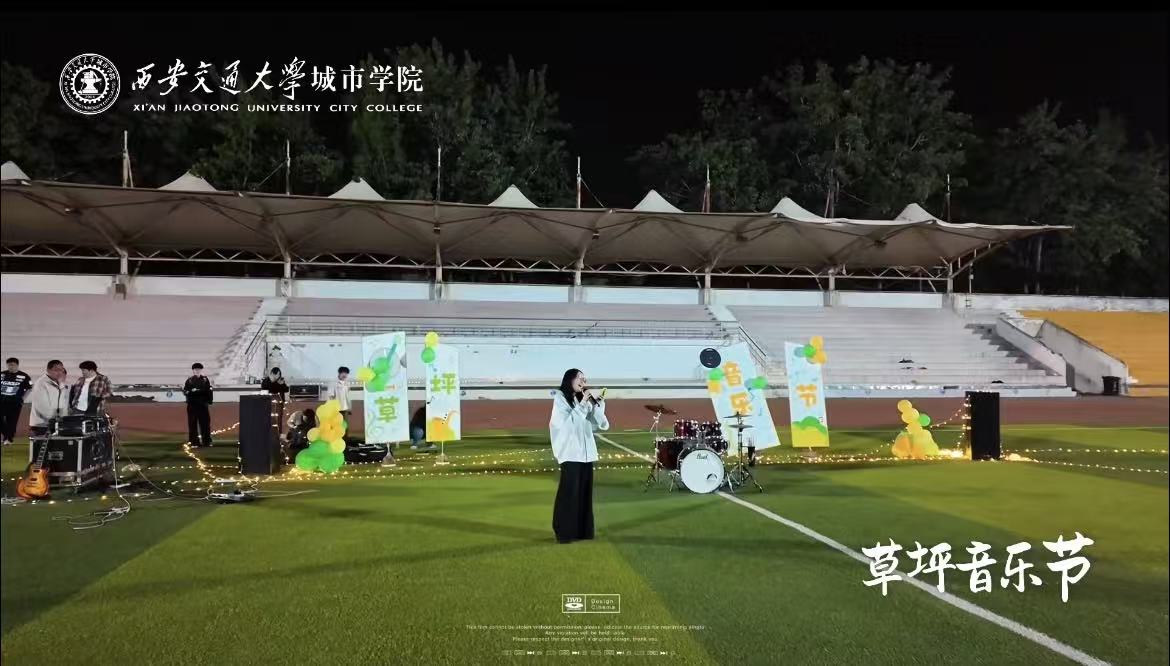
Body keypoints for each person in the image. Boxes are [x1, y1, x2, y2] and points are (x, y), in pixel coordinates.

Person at [549, 368, 609, 544]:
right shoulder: (560, 399)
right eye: (579, 378)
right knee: (569, 494)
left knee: (584, 494)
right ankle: (564, 532)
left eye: (585, 379)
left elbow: (599, 424)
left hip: (586, 455)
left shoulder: (581, 399)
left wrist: (598, 405)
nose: (583, 382)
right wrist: (583, 404)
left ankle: (583, 531)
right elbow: (566, 426)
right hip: (570, 454)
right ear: (570, 380)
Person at [28, 360, 70, 435]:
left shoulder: (60, 384)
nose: (59, 372)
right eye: (56, 370)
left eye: (61, 370)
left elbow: (63, 404)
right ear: (48, 370)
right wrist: (57, 418)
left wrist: (63, 418)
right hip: (42, 425)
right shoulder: (41, 383)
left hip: (55, 423)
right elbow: (42, 406)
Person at [1, 357, 33, 446]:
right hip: (2, 401)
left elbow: (30, 388)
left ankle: (8, 439)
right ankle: (7, 435)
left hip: (15, 402)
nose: (11, 367)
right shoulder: (2, 374)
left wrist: (23, 398)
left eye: (13, 365)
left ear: (17, 365)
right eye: (9, 365)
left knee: (11, 421)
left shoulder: (24, 376)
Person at [183, 362, 214, 447]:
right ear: (193, 370)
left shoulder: (205, 379)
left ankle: (207, 442)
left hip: (203, 405)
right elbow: (186, 391)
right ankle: (194, 442)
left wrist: (196, 392)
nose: (197, 371)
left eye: (199, 369)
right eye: (195, 369)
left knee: (205, 424)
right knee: (192, 424)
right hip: (192, 405)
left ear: (201, 370)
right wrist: (194, 392)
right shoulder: (189, 380)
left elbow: (208, 390)